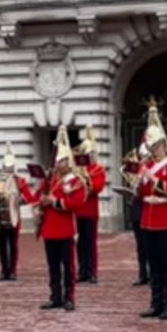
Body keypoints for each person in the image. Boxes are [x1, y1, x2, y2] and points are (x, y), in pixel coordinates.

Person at [136, 102, 167, 320]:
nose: (153, 151)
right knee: (152, 263)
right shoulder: (145, 166)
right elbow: (139, 194)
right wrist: (137, 181)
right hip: (148, 218)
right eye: (151, 147)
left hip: (164, 217)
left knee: (166, 265)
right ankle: (155, 302)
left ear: (163, 145)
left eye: (156, 146)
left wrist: (152, 178)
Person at [34, 126, 88, 311]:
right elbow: (39, 195)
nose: (59, 164)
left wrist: (54, 201)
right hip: (50, 227)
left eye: (62, 161)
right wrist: (37, 206)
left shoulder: (75, 181)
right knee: (53, 266)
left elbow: (76, 203)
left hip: (65, 227)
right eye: (58, 161)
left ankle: (69, 297)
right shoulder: (50, 179)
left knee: (68, 266)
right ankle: (55, 296)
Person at [0, 143, 35, 282]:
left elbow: (30, 197)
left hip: (13, 217)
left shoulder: (20, 181)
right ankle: (3, 269)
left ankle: (12, 270)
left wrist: (18, 201)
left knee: (13, 245)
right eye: (6, 168)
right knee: (1, 245)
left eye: (10, 168)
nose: (8, 171)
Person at [73, 127, 107, 284]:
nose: (89, 157)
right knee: (80, 243)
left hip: (91, 210)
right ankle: (83, 270)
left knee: (90, 242)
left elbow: (97, 187)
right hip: (79, 210)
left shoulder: (98, 169)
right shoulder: (79, 169)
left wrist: (85, 180)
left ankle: (92, 271)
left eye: (91, 154)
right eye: (87, 154)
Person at [119, 144, 151, 286]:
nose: (143, 159)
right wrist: (130, 185)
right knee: (140, 246)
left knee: (150, 245)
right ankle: (142, 274)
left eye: (145, 156)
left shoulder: (151, 170)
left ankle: (152, 274)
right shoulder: (136, 170)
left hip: (147, 209)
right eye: (142, 156)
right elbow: (131, 188)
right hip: (136, 210)